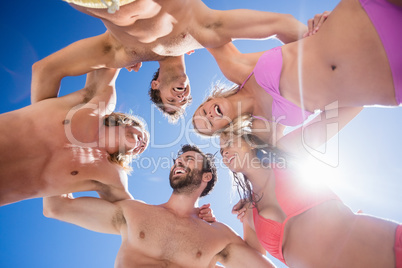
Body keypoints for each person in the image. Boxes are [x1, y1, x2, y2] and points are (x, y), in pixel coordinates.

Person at [32, 0, 308, 123]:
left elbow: (45, 70)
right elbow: (285, 26)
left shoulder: (122, 54)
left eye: (172, 101)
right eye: (186, 101)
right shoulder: (203, 34)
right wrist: (316, 44)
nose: (183, 98)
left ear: (156, 84)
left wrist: (44, 128)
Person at [193, 0, 401, 141]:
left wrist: (318, 35)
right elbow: (273, 171)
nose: (209, 115)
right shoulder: (263, 130)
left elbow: (199, 23)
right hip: (390, 80)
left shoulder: (236, 67)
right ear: (223, 129)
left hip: (364, 18)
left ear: (208, 101)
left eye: (203, 112)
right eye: (209, 123)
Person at [43, 144, 276, 268]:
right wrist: (71, 153)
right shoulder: (135, 212)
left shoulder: (218, 235)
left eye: (188, 160)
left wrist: (250, 218)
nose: (179, 162)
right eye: (178, 160)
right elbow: (56, 207)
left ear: (206, 177)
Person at [219, 127, 402, 268]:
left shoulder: (286, 159)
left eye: (229, 143)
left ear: (250, 140)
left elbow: (342, 109)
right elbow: (250, 261)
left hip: (384, 249)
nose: (224, 152)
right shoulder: (249, 214)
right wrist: (204, 222)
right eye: (221, 151)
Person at [0, 68, 149, 206]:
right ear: (128, 122)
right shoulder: (99, 104)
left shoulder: (112, 175)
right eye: (143, 137)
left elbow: (134, 213)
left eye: (142, 148)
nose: (142, 144)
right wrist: (132, 56)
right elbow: (112, 58)